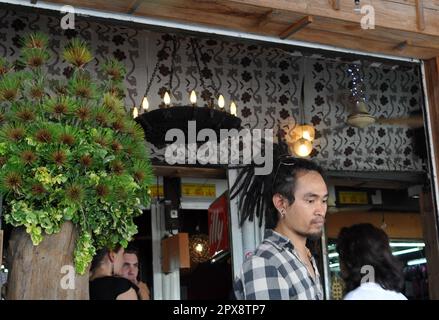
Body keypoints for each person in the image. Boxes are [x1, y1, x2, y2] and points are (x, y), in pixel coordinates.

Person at [234, 156, 328, 300]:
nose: (320, 210)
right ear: (281, 203)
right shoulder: (266, 264)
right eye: (311, 200)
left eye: (324, 200)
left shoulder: (305, 255)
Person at [336, 223, 407, 300]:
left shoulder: (354, 297)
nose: (340, 264)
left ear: (350, 262)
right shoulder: (399, 297)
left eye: (341, 256)